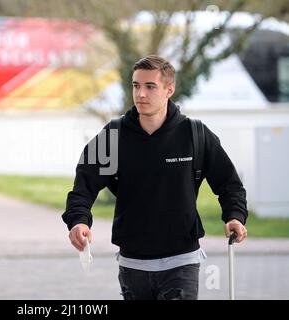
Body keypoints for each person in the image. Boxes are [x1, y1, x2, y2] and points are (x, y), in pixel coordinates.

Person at [62, 55, 248, 300]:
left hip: (182, 262)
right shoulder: (113, 136)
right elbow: (83, 185)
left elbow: (229, 184)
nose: (140, 94)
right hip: (133, 265)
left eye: (150, 87)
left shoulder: (195, 135)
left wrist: (235, 215)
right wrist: (78, 221)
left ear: (169, 89)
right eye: (136, 86)